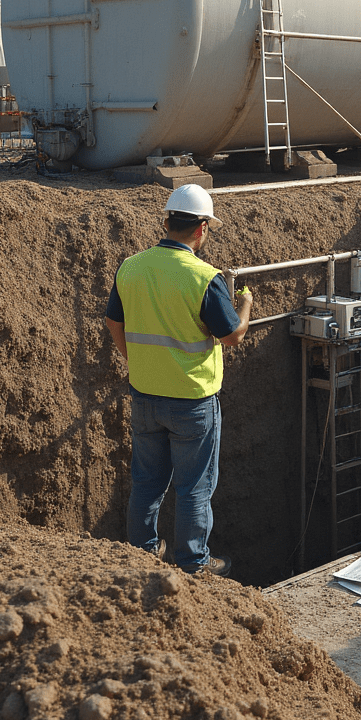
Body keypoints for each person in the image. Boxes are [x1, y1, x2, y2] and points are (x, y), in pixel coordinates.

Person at [105, 184, 253, 576]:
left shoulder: (130, 266)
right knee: (194, 488)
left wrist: (134, 359)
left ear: (166, 221)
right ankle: (193, 565)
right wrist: (246, 305)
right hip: (192, 401)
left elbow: (113, 321)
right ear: (202, 228)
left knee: (147, 483)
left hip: (145, 396)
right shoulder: (204, 276)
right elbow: (232, 335)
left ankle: (142, 553)